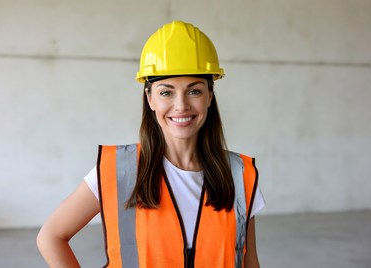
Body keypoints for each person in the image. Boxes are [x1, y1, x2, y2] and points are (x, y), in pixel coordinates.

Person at [37, 20, 265, 268]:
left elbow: (248, 260)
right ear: (150, 98)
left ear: (210, 96)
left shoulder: (239, 174)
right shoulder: (118, 171)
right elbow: (51, 237)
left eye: (194, 91)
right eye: (166, 92)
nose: (181, 106)